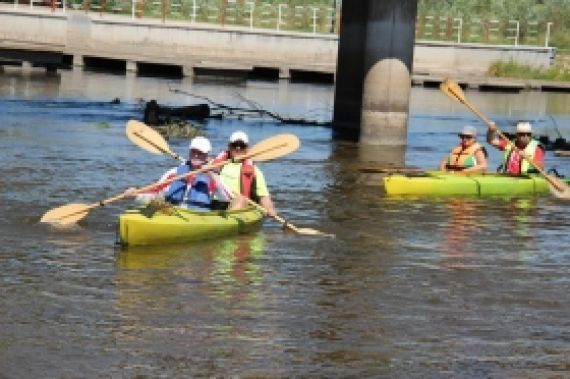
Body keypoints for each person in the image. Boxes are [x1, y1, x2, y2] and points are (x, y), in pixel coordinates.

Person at [124, 136, 228, 211]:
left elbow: (225, 198)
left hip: (197, 217)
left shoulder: (213, 177)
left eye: (200, 153)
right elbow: (155, 192)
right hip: (173, 213)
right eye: (193, 152)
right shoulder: (174, 172)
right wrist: (136, 194)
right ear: (189, 152)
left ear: (207, 156)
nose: (196, 155)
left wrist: (210, 174)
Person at [215, 130, 276, 217]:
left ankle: (227, 223)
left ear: (247, 149)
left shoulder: (255, 171)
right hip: (215, 204)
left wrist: (269, 209)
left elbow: (264, 197)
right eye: (235, 145)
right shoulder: (216, 165)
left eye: (242, 146)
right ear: (229, 147)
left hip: (239, 206)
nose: (238, 148)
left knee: (241, 199)